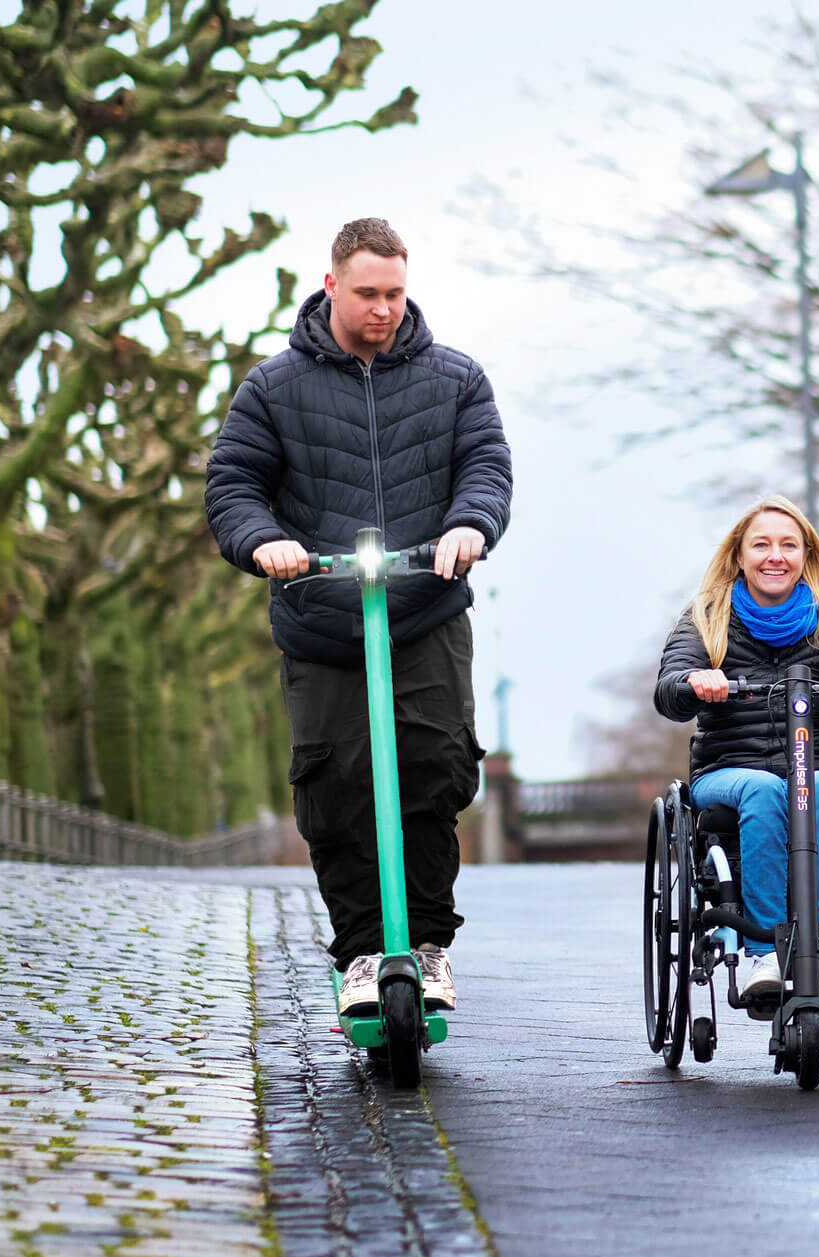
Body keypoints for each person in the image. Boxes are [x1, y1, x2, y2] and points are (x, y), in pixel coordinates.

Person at [205, 218, 512, 1018]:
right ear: (332, 285)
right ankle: (364, 954)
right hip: (321, 616)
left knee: (435, 770)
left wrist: (469, 524)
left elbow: (485, 465)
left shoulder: (455, 378)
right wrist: (264, 541)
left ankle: (429, 944)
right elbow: (233, 484)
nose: (383, 309)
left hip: (424, 607)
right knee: (336, 788)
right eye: (368, 293)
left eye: (395, 294)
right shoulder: (273, 387)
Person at [654, 496, 819, 999]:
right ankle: (764, 954)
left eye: (788, 546)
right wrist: (695, 681)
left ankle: (818, 952)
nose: (775, 556)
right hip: (729, 771)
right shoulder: (705, 620)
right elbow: (670, 688)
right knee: (764, 791)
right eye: (761, 545)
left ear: (805, 556)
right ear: (739, 556)